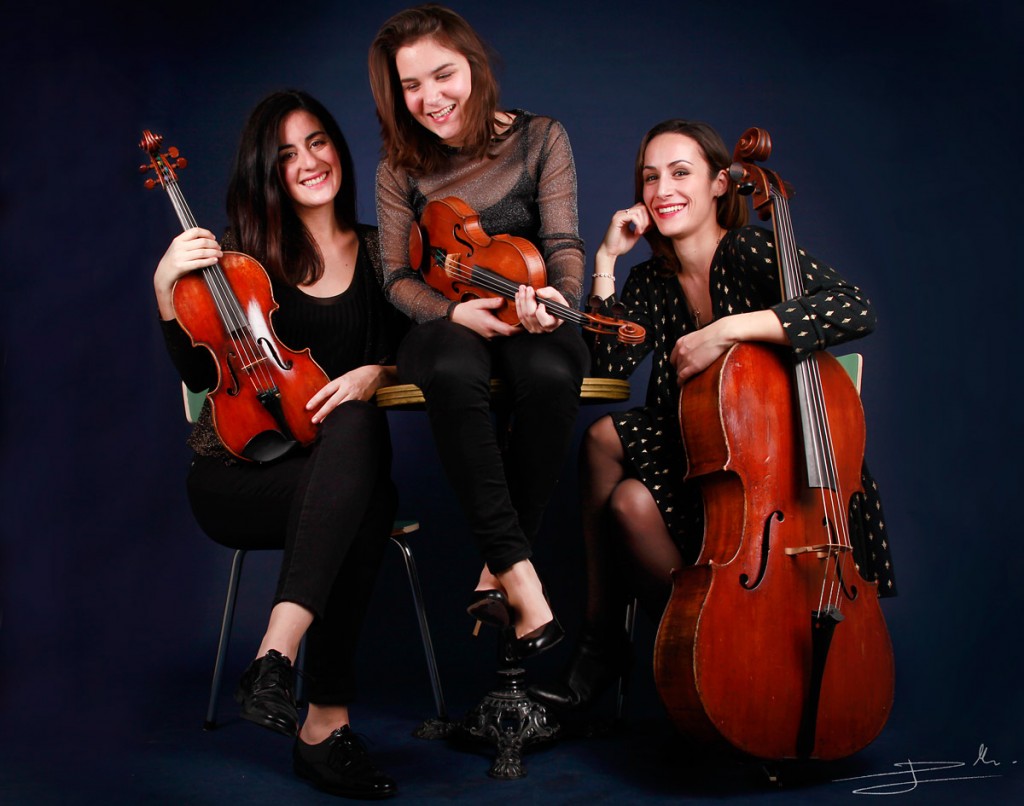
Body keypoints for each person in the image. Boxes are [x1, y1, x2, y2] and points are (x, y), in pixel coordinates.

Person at [529, 119, 896, 712]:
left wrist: (726, 330)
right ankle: (625, 643)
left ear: (721, 184)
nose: (661, 189)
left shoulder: (749, 251)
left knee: (623, 491)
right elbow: (608, 367)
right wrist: (604, 261)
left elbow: (853, 309)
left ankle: (638, 649)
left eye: (680, 173)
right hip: (697, 467)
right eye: (651, 177)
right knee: (612, 462)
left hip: (777, 480)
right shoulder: (651, 279)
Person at [155, 90, 406, 799]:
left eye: (318, 142)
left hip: (334, 476)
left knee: (358, 424)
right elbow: (198, 375)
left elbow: (415, 351)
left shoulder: (385, 253)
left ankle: (275, 659)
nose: (308, 162)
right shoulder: (239, 261)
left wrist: (376, 371)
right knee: (364, 495)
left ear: (338, 148)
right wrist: (162, 287)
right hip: (236, 479)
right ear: (269, 169)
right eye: (288, 153)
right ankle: (323, 723)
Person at [368, 4, 590, 662]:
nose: (430, 99)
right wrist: (450, 312)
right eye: (412, 86)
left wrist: (559, 297)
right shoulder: (397, 170)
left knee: (553, 371)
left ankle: (495, 574)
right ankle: (518, 576)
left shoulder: (541, 137)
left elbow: (563, 242)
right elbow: (395, 278)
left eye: (443, 75)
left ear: (474, 66)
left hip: (526, 312)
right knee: (453, 367)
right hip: (445, 320)